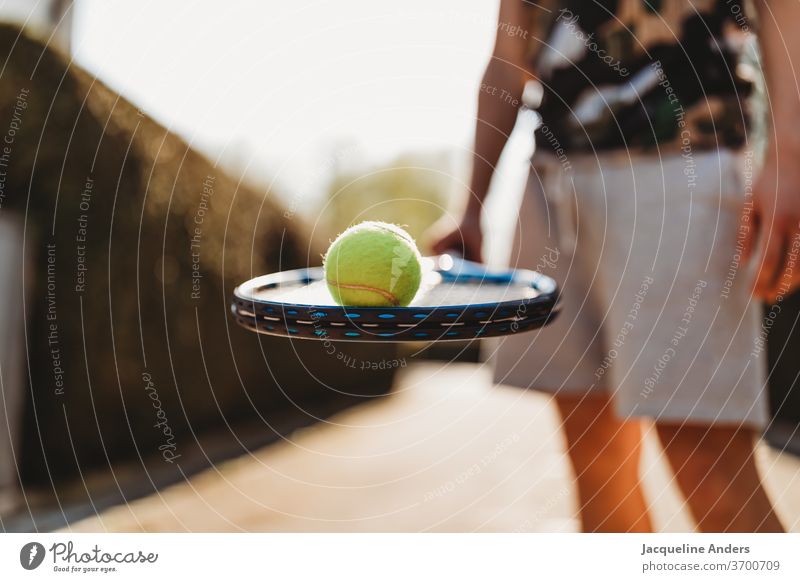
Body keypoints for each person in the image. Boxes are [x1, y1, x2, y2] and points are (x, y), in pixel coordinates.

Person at [432, 0, 800, 532]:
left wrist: (788, 155)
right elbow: (510, 55)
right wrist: (471, 205)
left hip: (685, 167)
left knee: (707, 462)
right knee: (595, 460)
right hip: (554, 179)